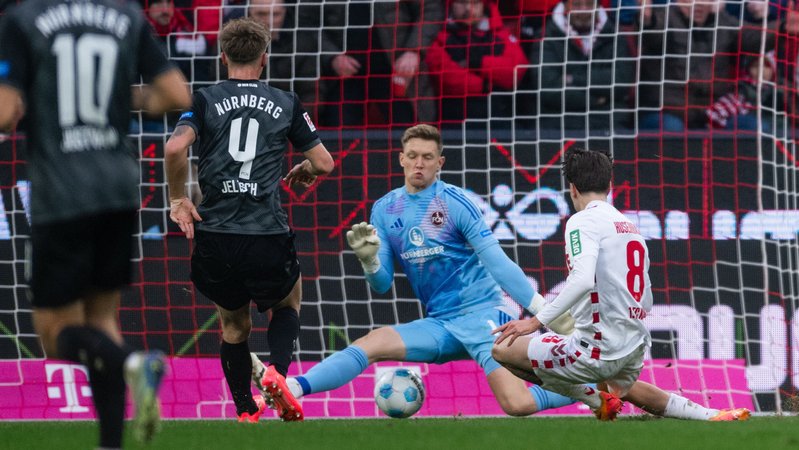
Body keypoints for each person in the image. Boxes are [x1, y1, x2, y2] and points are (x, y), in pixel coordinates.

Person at [283, 123, 583, 417]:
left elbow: (499, 264)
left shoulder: (455, 203)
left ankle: (592, 388)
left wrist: (546, 312)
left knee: (516, 404)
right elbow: (381, 285)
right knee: (372, 343)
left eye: (427, 157)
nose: (419, 163)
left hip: (485, 318)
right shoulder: (386, 210)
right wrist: (370, 261)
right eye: (412, 155)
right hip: (440, 324)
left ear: (439, 163)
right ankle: (292, 387)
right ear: (401, 158)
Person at [0, 0, 191, 447]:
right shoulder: (125, 15)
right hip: (118, 186)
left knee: (54, 335)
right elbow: (176, 96)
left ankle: (130, 363)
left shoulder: (22, 20)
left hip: (61, 189)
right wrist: (123, 98)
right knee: (102, 319)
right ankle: (111, 442)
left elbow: (6, 112)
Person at [491, 147, 751, 422]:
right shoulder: (629, 226)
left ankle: (596, 401)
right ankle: (711, 415)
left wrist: (534, 322)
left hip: (595, 350)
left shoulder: (582, 221)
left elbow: (582, 279)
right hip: (632, 346)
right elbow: (646, 297)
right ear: (610, 186)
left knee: (501, 350)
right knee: (626, 387)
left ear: (573, 188)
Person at [164, 17, 334, 423]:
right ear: (265, 59)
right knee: (288, 300)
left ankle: (244, 409)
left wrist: (176, 199)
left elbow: (174, 149)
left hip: (215, 232)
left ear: (223, 57)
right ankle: (276, 370)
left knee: (233, 324)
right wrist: (307, 171)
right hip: (265, 230)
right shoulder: (286, 101)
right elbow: (323, 162)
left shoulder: (204, 99)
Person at [637, 0, 799, 131]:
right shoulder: (663, 19)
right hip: (669, 111)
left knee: (755, 127)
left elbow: (752, 36)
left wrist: (782, 27)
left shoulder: (723, 22)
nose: (698, 4)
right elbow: (650, 30)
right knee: (671, 128)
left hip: (715, 111)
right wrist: (646, 18)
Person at [532, 0, 635, 135]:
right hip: (558, 122)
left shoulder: (615, 35)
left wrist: (573, 79)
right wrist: (596, 100)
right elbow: (548, 88)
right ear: (565, 6)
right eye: (576, 4)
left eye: (589, 4)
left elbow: (621, 80)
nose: (583, 10)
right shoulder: (546, 36)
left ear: (598, 6)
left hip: (609, 121)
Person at [425, 0, 528, 124]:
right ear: (450, 5)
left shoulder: (499, 34)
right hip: (454, 117)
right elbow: (445, 76)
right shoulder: (439, 34)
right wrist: (486, 85)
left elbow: (516, 70)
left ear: (484, 5)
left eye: (475, 3)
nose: (469, 8)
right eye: (461, 3)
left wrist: (477, 63)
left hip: (499, 116)